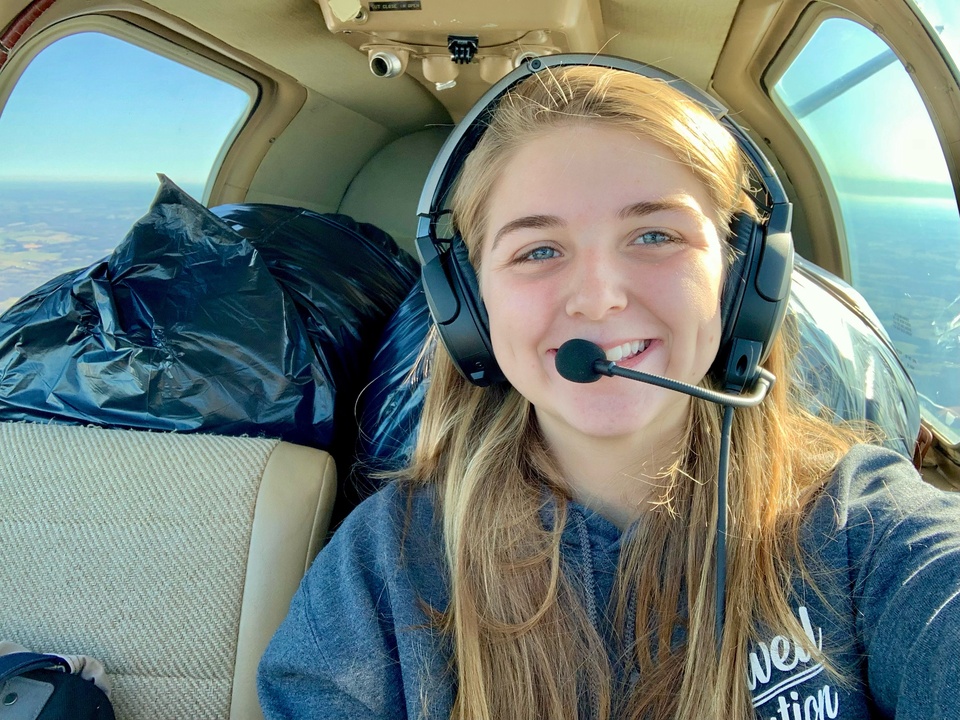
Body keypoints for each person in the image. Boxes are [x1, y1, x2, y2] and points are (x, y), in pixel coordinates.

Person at [257, 59, 960, 720]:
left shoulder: (859, 527)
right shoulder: (383, 566)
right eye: (538, 250)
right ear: (470, 307)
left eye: (654, 235)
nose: (598, 299)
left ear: (744, 281)